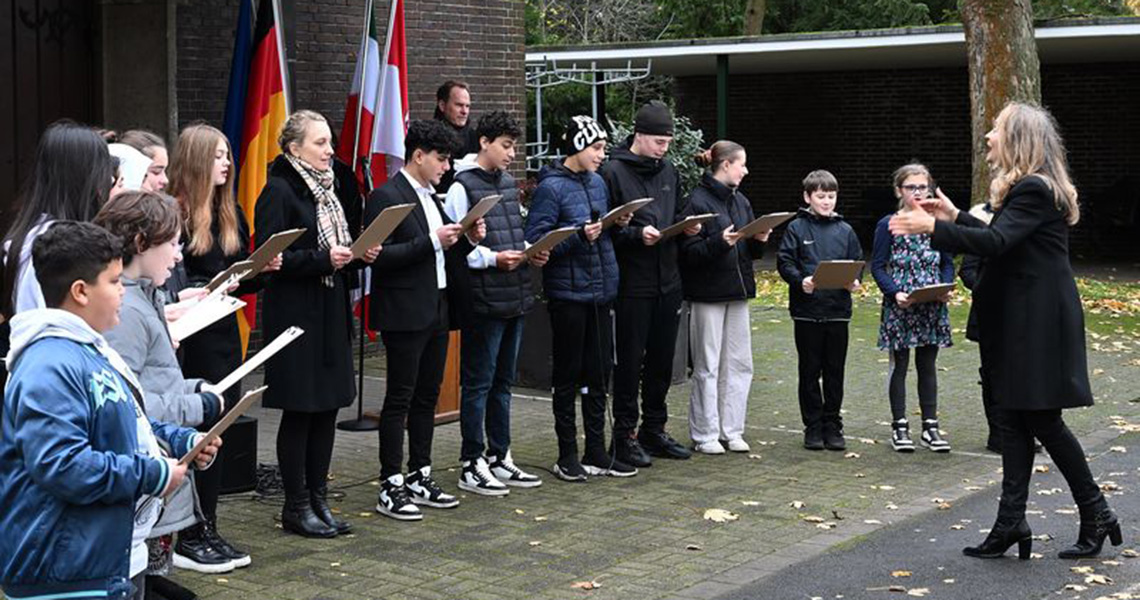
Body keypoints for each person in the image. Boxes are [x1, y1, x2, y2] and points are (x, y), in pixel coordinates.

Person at [890, 102, 1122, 560]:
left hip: (1038, 323)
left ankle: (1096, 512)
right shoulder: (1031, 190)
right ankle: (1011, 522)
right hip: (1024, 320)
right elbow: (1007, 238)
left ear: (1017, 139)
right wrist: (957, 217)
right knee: (1013, 419)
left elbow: (998, 243)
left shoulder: (1034, 188)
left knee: (1041, 420)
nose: (988, 137)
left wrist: (933, 226)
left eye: (995, 130)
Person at [0, 220, 217, 600]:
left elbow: (125, 421)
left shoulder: (91, 350)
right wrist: (151, 473)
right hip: (64, 573)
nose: (122, 292)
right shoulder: (49, 363)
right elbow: (62, 466)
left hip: (105, 558)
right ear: (81, 291)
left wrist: (182, 440)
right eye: (115, 282)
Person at [255, 110, 379, 537]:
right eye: (320, 143)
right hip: (297, 316)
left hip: (330, 310)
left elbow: (335, 249)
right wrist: (324, 259)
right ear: (294, 148)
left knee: (327, 408)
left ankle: (319, 498)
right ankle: (296, 505)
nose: (330, 151)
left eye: (329, 142)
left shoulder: (331, 189)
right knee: (301, 411)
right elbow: (269, 260)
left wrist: (358, 254)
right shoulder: (279, 191)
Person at [97, 191, 231, 583]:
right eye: (171, 243)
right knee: (145, 578)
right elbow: (132, 402)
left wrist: (194, 387)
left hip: (160, 473)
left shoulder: (145, 297)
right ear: (141, 243)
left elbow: (158, 377)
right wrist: (197, 408)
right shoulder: (129, 310)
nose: (178, 256)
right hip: (147, 480)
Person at [167, 123, 274, 566]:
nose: (227, 163)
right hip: (189, 339)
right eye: (218, 155)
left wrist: (265, 267)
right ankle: (188, 532)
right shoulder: (175, 212)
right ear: (195, 160)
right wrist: (201, 288)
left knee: (220, 432)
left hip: (225, 334)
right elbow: (171, 281)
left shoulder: (229, 212)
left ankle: (208, 524)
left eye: (228, 154)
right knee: (195, 434)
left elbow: (243, 280)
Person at [366, 119, 483, 520]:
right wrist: (433, 240)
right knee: (399, 397)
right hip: (403, 311)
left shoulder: (432, 198)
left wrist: (467, 239)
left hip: (436, 307)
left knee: (427, 396)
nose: (446, 166)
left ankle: (420, 472)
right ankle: (390, 482)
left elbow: (442, 257)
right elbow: (379, 258)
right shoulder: (386, 196)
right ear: (418, 155)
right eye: (441, 158)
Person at [442, 111, 548, 495]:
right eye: (505, 145)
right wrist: (492, 259)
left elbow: (509, 234)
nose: (511, 153)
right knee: (478, 383)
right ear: (484, 142)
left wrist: (529, 251)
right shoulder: (461, 186)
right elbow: (457, 250)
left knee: (503, 382)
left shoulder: (505, 182)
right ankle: (472, 462)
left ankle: (500, 455)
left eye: (514, 145)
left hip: (515, 293)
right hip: (484, 298)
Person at [525, 115, 633, 481]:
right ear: (577, 147)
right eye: (597, 148)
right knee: (568, 375)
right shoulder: (550, 188)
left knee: (599, 373)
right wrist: (576, 237)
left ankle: (597, 450)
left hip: (601, 291)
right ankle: (567, 453)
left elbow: (600, 232)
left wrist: (615, 225)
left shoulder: (599, 183)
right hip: (568, 295)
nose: (603, 155)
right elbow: (537, 241)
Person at [601, 100, 697, 466]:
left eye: (668, 142)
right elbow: (606, 228)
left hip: (667, 278)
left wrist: (689, 225)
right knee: (629, 361)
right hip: (632, 282)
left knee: (661, 360)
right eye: (659, 142)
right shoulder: (613, 172)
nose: (664, 149)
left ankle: (654, 430)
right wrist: (637, 235)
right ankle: (624, 435)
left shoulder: (669, 170)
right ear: (639, 136)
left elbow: (676, 212)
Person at [679, 141, 770, 454]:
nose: (745, 171)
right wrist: (720, 242)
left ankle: (733, 430)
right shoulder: (696, 201)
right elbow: (688, 253)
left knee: (740, 363)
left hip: (738, 291)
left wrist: (759, 241)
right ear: (726, 164)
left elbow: (747, 252)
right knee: (708, 365)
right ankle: (705, 433)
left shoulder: (741, 201)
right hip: (707, 294)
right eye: (741, 164)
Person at [870, 164, 955, 453]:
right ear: (899, 190)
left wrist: (945, 287)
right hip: (902, 304)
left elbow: (946, 262)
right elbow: (878, 266)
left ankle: (930, 427)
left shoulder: (937, 222)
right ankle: (900, 426)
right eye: (911, 187)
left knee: (928, 366)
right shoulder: (888, 224)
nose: (918, 192)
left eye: (923, 187)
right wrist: (895, 293)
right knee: (901, 365)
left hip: (931, 303)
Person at [776, 170, 863, 451]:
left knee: (835, 371)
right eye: (821, 196)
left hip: (838, 311)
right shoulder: (796, 228)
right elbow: (785, 261)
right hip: (807, 311)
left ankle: (833, 424)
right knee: (810, 370)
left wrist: (855, 282)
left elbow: (857, 261)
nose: (827, 202)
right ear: (807, 197)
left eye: (831, 196)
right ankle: (812, 426)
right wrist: (800, 280)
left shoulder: (845, 230)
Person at [434, 80, 479, 192]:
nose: (465, 111)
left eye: (467, 106)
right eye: (459, 105)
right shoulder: (430, 138)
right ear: (442, 105)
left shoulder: (475, 137)